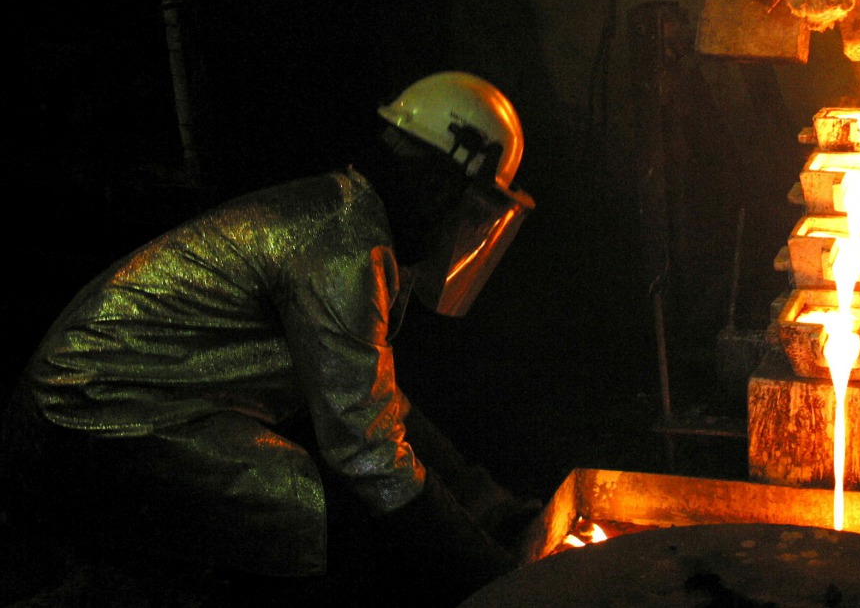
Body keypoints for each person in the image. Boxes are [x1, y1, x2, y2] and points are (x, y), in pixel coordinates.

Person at [1, 71, 539, 606]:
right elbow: (368, 450)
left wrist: (494, 511)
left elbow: (372, 399)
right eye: (472, 210)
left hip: (133, 395)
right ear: (441, 185)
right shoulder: (344, 249)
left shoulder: (349, 215)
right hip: (90, 414)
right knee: (311, 517)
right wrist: (487, 574)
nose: (471, 229)